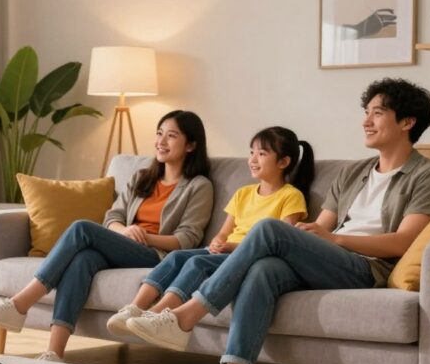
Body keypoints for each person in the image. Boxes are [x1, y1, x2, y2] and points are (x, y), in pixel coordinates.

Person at [124, 78, 430, 364]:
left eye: (377, 113)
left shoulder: (427, 176)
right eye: (365, 113)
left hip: (368, 267)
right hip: (328, 259)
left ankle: (186, 315)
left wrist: (334, 239)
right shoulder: (354, 172)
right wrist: (313, 237)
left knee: (269, 228)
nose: (366, 121)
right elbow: (321, 226)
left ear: (408, 122)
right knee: (263, 268)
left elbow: (404, 241)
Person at [0, 110, 215, 362]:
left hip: (157, 256)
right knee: (83, 259)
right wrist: (125, 232)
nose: (161, 141)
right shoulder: (142, 177)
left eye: (171, 136)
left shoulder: (199, 186)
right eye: (159, 133)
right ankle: (54, 352)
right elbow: (113, 218)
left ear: (191, 145)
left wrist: (142, 236)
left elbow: (187, 239)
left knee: (81, 228)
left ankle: (21, 303)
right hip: (126, 245)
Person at [107, 126, 314, 340]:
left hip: (246, 257)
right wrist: (218, 241)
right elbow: (224, 232)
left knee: (197, 263)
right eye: (251, 152)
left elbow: (280, 242)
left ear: (283, 162)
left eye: (262, 154)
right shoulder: (243, 193)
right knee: (177, 256)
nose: (253, 159)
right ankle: (135, 309)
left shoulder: (291, 196)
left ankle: (157, 314)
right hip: (224, 251)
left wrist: (229, 247)